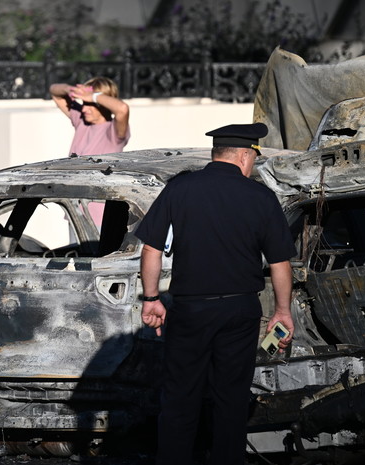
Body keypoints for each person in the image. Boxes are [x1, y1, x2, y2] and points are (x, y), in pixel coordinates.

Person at [134, 122, 296, 465]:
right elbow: (280, 262)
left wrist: (151, 299)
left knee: (180, 399)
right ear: (244, 156)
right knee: (231, 400)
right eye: (253, 157)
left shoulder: (180, 189)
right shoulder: (261, 197)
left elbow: (151, 249)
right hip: (240, 311)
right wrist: (282, 311)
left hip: (191, 311)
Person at [49, 76, 130, 157]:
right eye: (84, 103)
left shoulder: (114, 131)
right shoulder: (82, 120)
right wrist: (71, 90)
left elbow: (123, 109)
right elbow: (54, 92)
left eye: (90, 104)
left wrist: (94, 96)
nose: (84, 109)